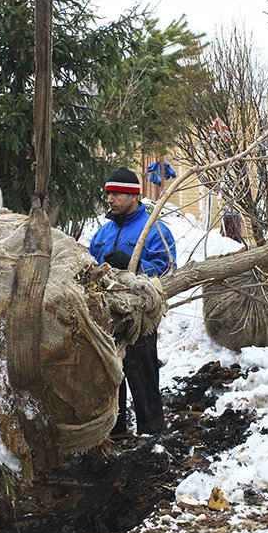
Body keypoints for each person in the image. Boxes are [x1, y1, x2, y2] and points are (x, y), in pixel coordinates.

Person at [89, 166, 177, 437]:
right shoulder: (102, 233)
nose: (110, 199)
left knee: (142, 376)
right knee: (109, 379)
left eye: (116, 194)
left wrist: (133, 265)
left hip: (140, 319)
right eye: (108, 194)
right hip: (107, 319)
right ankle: (115, 433)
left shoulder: (154, 230)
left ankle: (153, 434)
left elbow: (167, 269)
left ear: (133, 196)